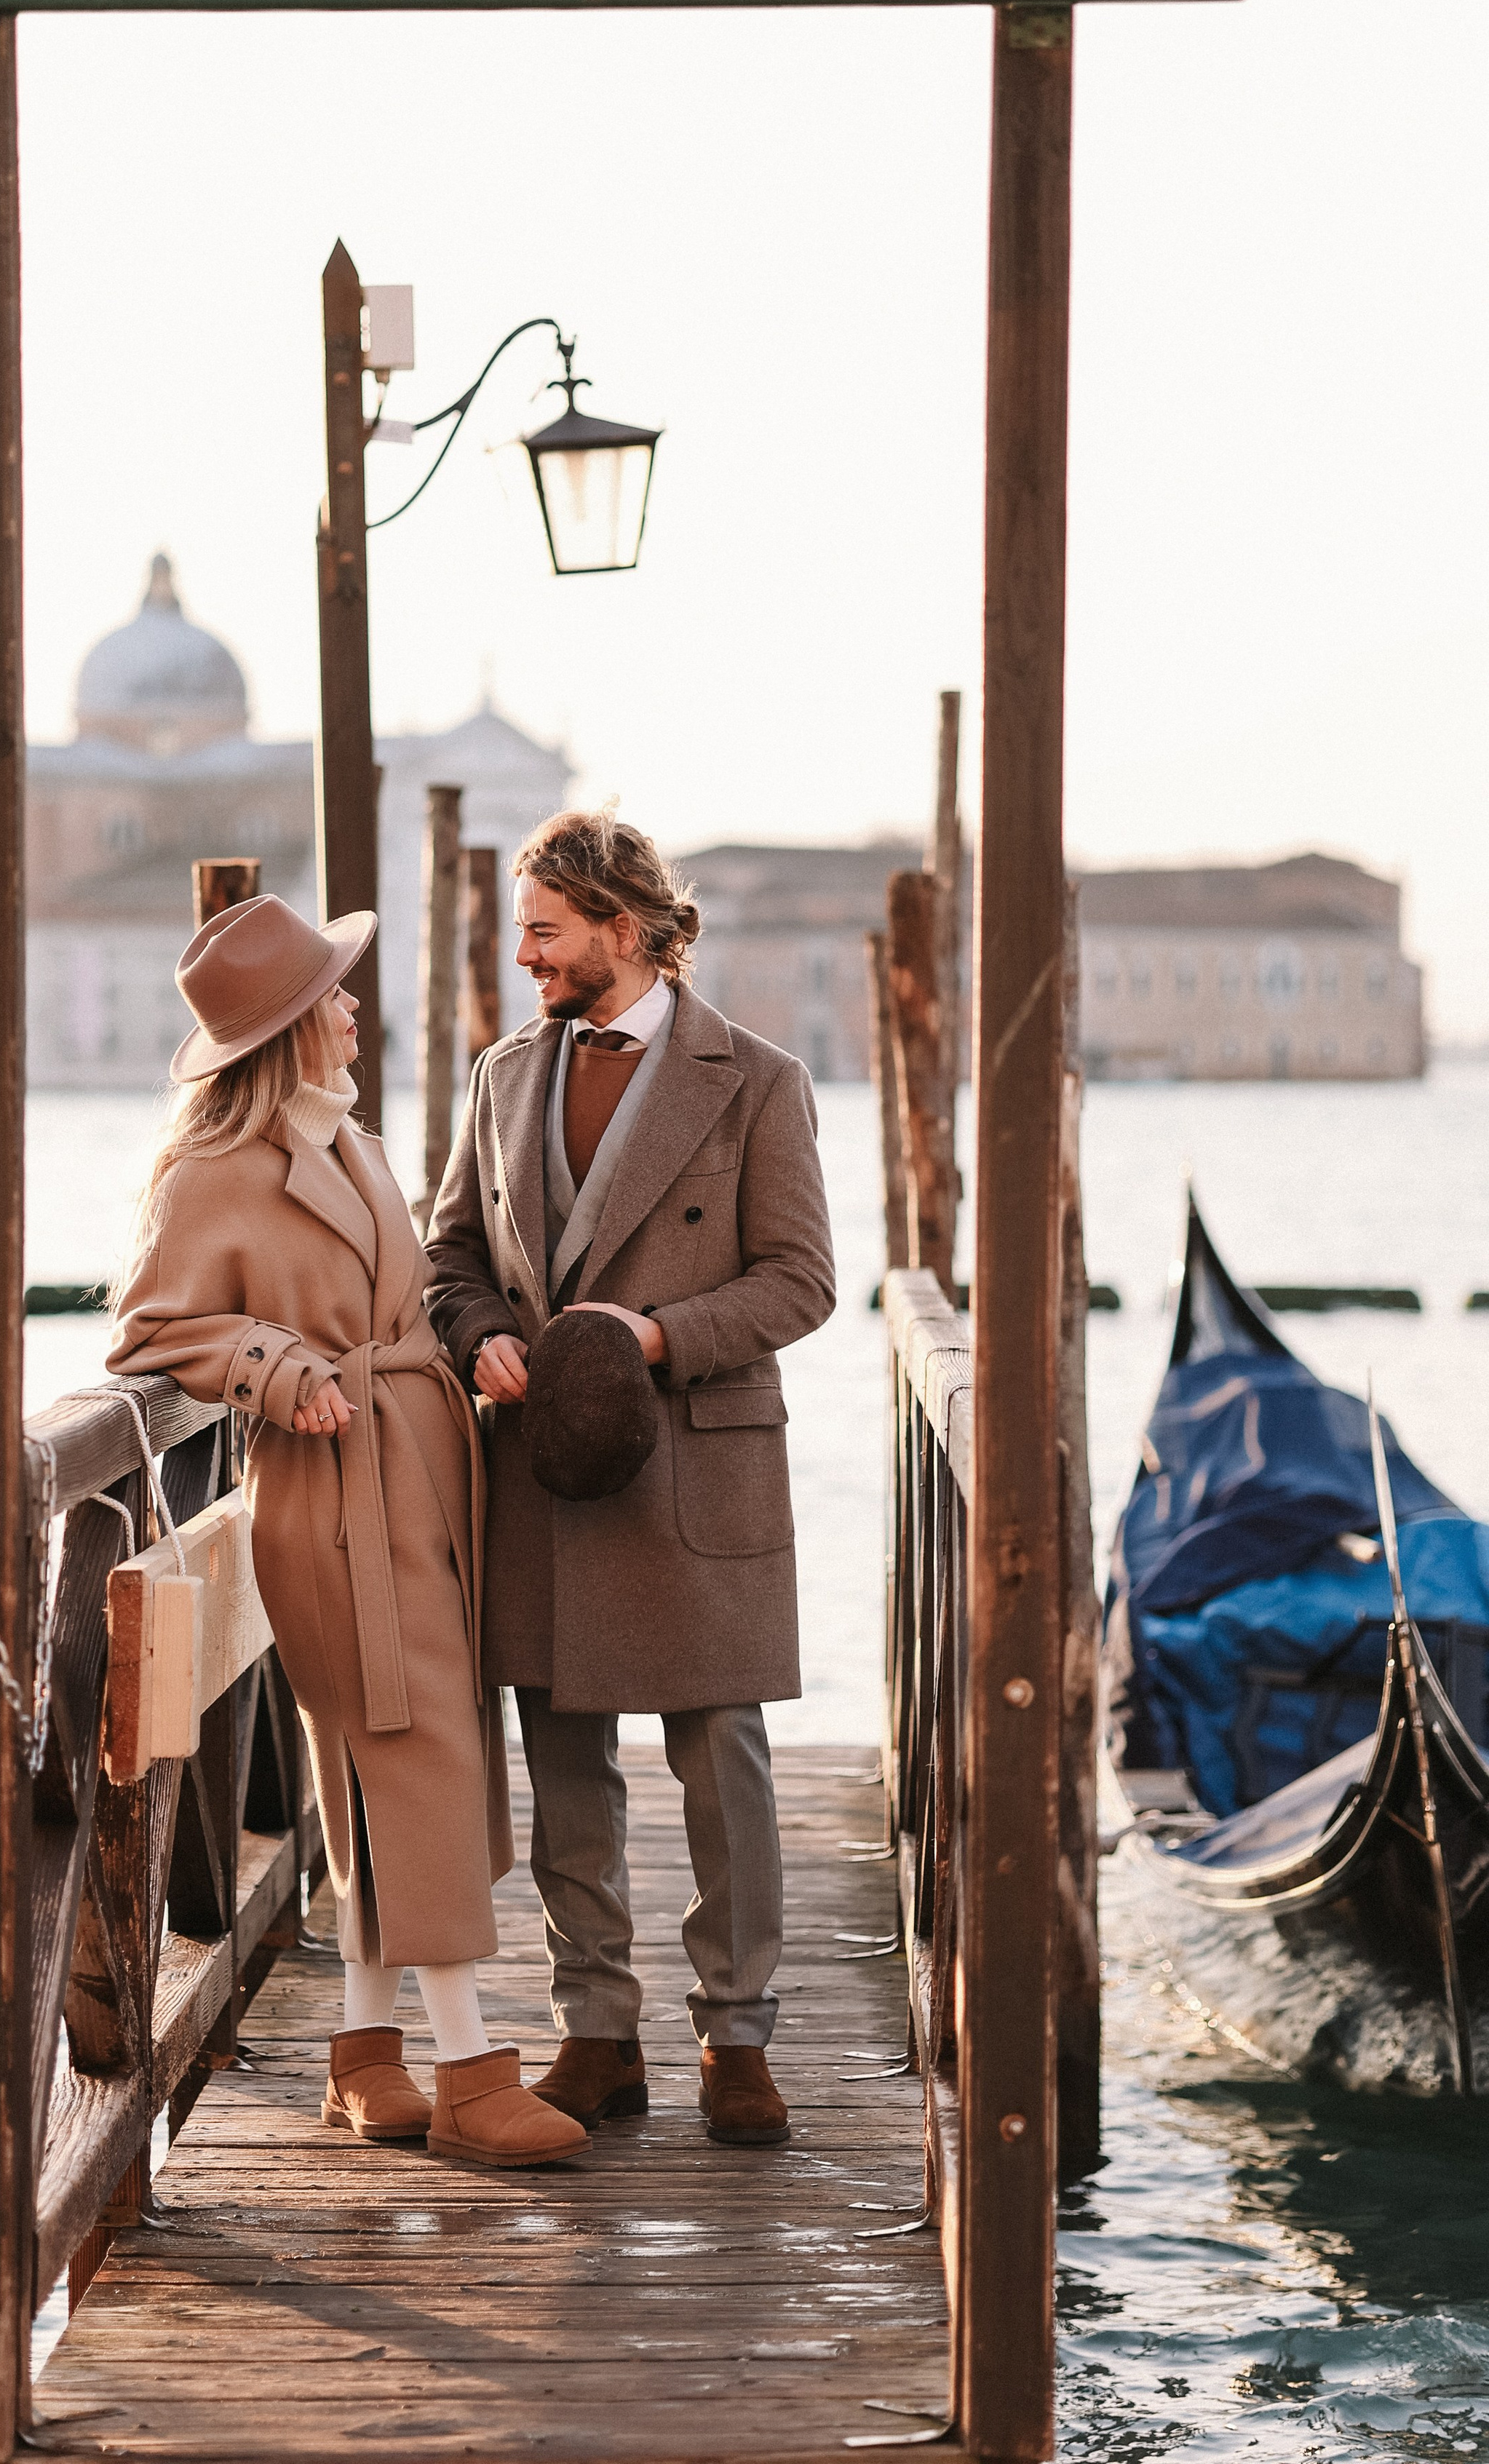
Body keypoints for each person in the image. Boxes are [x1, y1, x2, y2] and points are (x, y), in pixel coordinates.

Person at [107, 893, 586, 2171]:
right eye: (335, 991)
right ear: (288, 1029)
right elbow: (149, 1334)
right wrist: (274, 1365)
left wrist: (473, 1350)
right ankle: (473, 2071)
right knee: (411, 1751)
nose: (356, 1005)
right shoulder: (213, 1172)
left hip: (423, 1466)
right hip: (329, 1502)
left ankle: (365, 2055)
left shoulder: (352, 1139)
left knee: (390, 1760)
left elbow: (414, 1287)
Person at [425, 809, 835, 2149]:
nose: (527, 953)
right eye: (523, 931)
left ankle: (739, 2039)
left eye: (546, 929)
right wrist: (482, 1335)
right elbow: (451, 1259)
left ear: (626, 927)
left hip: (694, 1463)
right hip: (543, 1469)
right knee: (564, 1760)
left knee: (723, 1759)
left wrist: (651, 1342)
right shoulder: (498, 1078)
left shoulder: (757, 1079)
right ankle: (596, 2036)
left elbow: (801, 1281)